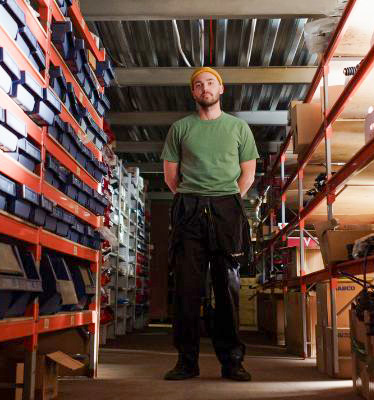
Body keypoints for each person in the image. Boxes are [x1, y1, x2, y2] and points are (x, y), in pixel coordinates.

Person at [160, 67, 258, 382]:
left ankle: (232, 362)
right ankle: (186, 362)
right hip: (189, 208)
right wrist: (194, 198)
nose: (205, 88)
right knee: (187, 289)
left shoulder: (239, 127)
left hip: (227, 208)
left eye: (210, 83)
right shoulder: (180, 128)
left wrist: (226, 199)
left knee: (227, 288)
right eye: (199, 85)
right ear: (193, 93)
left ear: (221, 89)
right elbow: (170, 176)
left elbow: (248, 173)